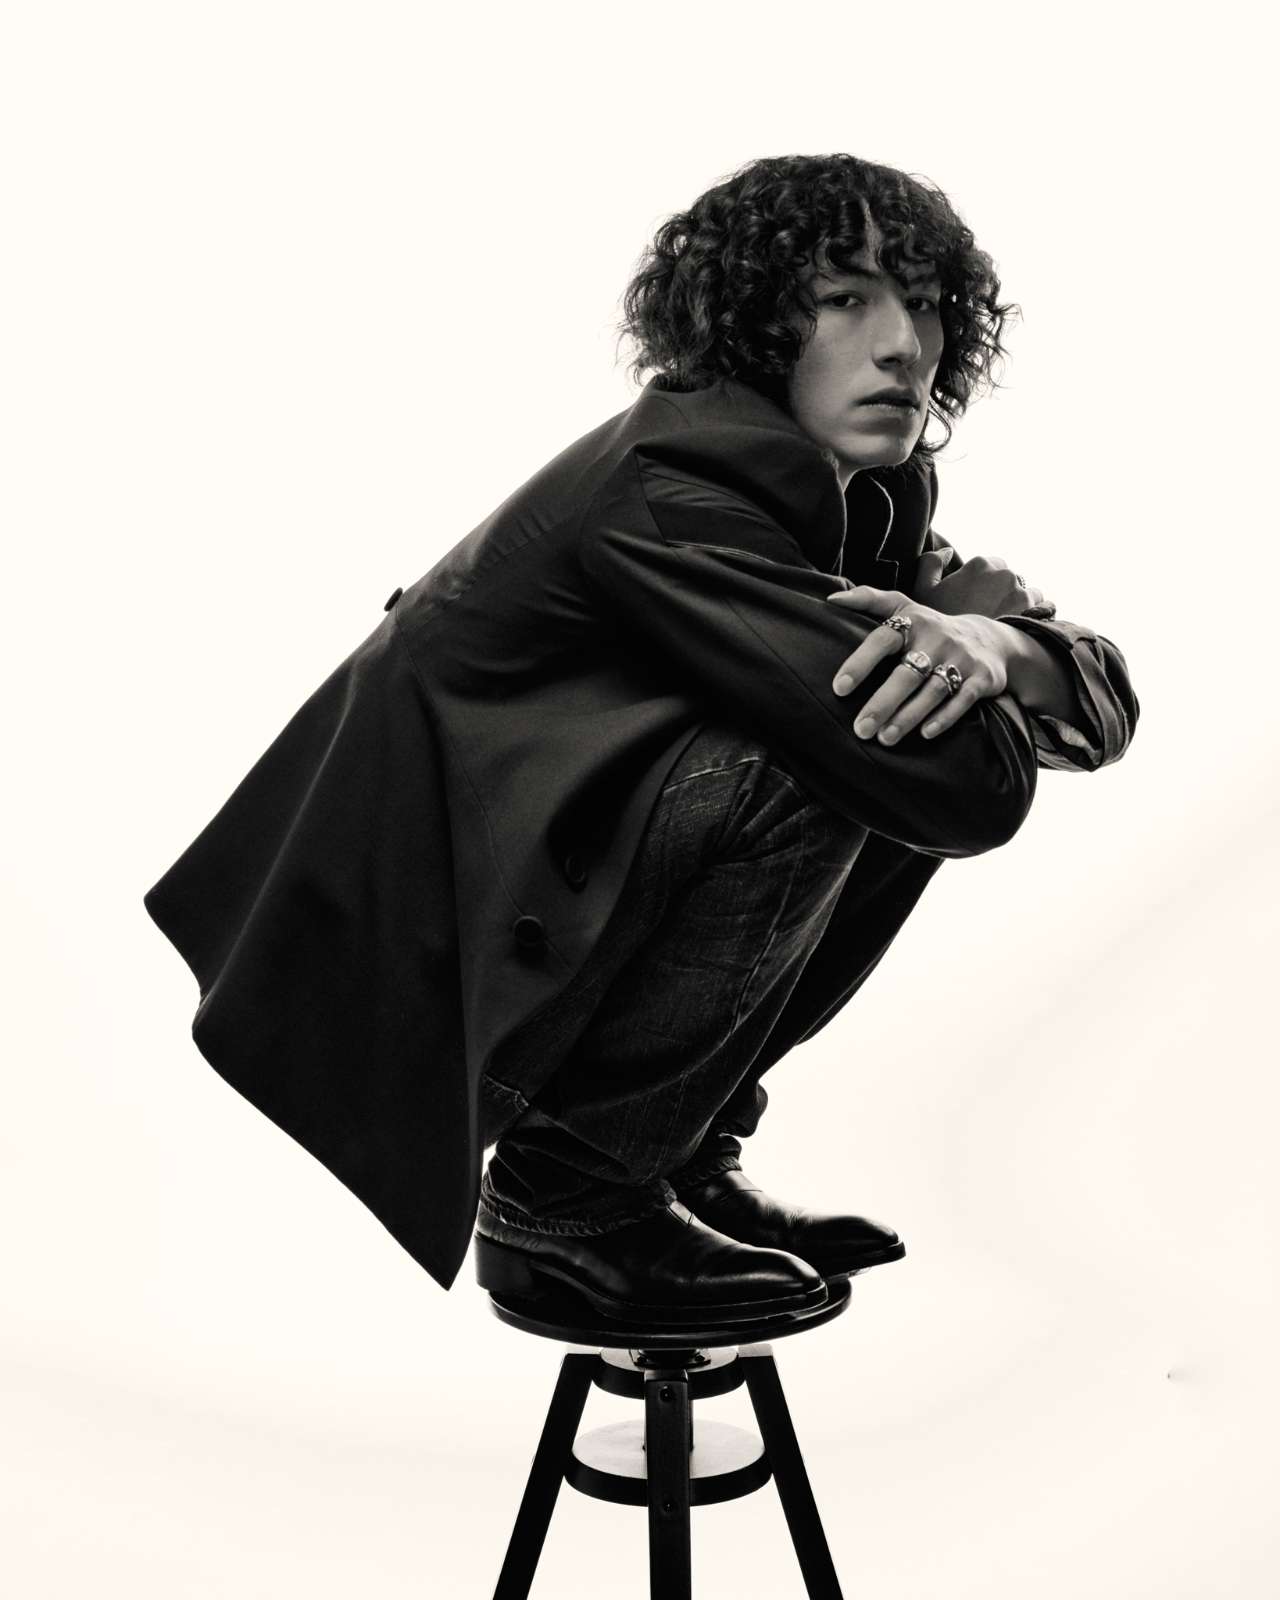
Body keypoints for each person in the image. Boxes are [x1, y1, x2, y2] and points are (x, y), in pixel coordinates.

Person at [143, 153, 1138, 1325]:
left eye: (920, 303)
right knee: (816, 769)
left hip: (531, 888)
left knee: (861, 752)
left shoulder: (856, 498)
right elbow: (969, 783)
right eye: (843, 298)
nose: (899, 347)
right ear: (751, 319)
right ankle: (567, 1201)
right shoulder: (679, 484)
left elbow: (1101, 706)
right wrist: (985, 652)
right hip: (407, 934)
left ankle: (678, 1153)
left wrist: (993, 646)